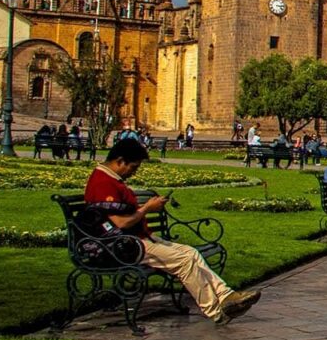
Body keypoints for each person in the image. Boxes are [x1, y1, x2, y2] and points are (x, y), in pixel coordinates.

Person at [82, 138, 261, 325]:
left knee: (190, 252)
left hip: (137, 239)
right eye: (133, 167)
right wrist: (146, 209)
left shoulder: (111, 179)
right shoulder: (103, 183)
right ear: (120, 161)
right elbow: (120, 223)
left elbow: (121, 214)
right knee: (184, 261)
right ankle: (216, 311)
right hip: (124, 246)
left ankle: (226, 296)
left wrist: (147, 207)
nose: (134, 173)